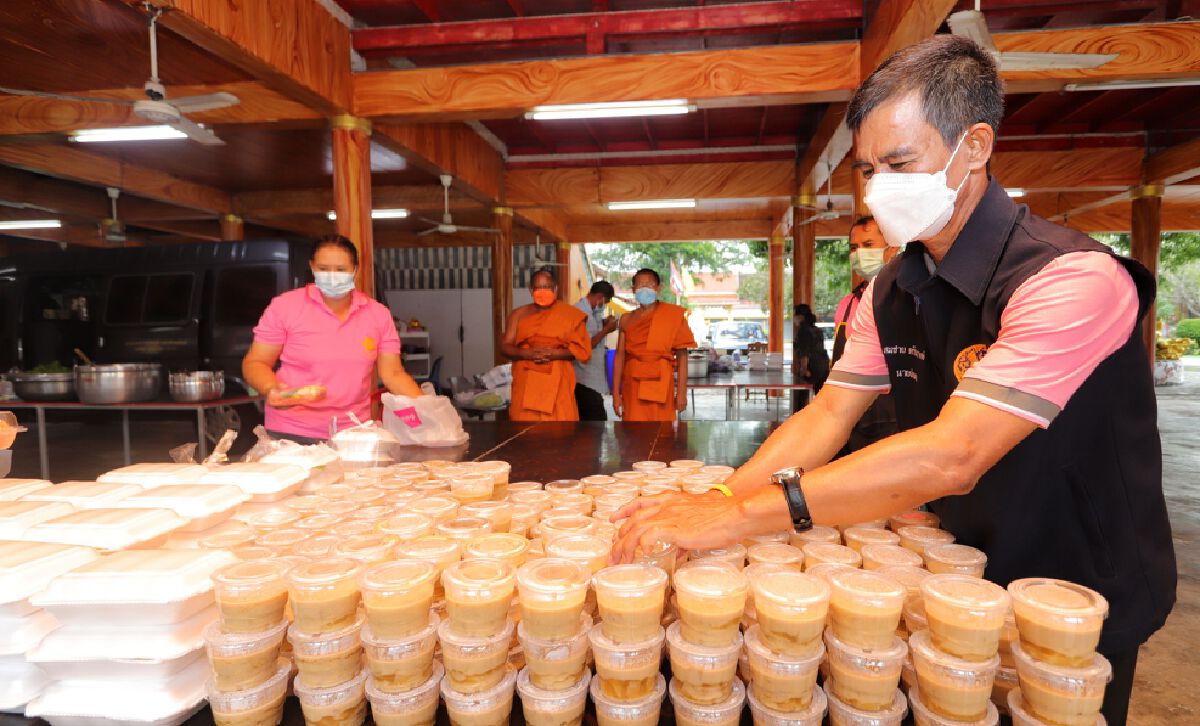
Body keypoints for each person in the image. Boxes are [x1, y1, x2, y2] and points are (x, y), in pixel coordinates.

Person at [611, 35, 1175, 726]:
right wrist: (725, 492)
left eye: (900, 162)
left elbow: (954, 453)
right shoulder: (889, 291)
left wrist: (737, 517)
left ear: (974, 146)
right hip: (951, 569)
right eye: (868, 168)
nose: (879, 188)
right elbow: (828, 417)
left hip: (1072, 582)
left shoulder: (1069, 279)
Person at [243, 234, 422, 444]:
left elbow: (393, 373)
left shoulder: (377, 314)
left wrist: (428, 410)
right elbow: (256, 362)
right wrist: (271, 389)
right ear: (312, 267)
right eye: (324, 268)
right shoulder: (285, 307)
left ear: (355, 269)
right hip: (293, 431)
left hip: (354, 432)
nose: (332, 276)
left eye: (340, 269)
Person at [831, 216, 898, 450]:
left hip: (894, 420)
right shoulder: (847, 304)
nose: (859, 253)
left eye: (868, 245)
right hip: (849, 417)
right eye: (854, 247)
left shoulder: (905, 297)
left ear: (893, 247)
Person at [500, 269, 591, 421]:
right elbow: (505, 346)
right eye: (538, 288)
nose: (543, 292)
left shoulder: (569, 315)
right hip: (526, 382)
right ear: (530, 290)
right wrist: (526, 354)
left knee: (561, 431)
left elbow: (581, 351)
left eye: (548, 287)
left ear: (556, 289)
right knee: (525, 432)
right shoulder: (518, 315)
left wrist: (551, 354)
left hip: (558, 384)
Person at [612, 268, 696, 421]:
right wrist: (616, 393)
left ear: (658, 288)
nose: (644, 288)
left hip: (660, 382)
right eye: (640, 284)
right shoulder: (626, 319)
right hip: (633, 383)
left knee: (662, 432)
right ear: (633, 289)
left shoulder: (672, 316)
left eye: (649, 284)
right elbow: (619, 357)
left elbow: (682, 357)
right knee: (634, 433)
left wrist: (682, 392)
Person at [574, 280, 618, 421]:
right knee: (595, 421)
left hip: (591, 376)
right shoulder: (580, 312)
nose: (604, 305)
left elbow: (593, 331)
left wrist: (604, 323)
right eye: (606, 302)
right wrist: (606, 330)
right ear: (600, 297)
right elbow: (586, 344)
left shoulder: (593, 312)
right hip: (584, 377)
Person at [790, 303, 829, 410]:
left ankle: (801, 422)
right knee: (821, 399)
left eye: (794, 315)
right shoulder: (817, 330)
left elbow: (804, 352)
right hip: (823, 367)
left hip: (811, 368)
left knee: (801, 399)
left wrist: (804, 369)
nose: (793, 318)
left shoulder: (803, 330)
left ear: (800, 316)